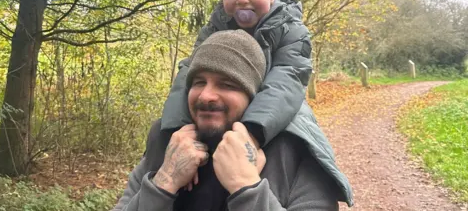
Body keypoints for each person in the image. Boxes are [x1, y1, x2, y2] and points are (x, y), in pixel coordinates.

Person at [113, 30, 353, 210]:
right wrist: (164, 182)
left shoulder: (295, 149)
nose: (206, 95)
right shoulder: (168, 141)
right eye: (198, 82)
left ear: (253, 96)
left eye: (227, 84)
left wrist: (245, 186)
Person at [162, 0, 311, 152]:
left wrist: (251, 132)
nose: (242, 0)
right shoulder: (213, 29)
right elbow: (188, 73)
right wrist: (180, 128)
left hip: (272, 113)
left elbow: (287, 79)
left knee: (299, 138)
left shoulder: (291, 30)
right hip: (222, 110)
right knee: (160, 133)